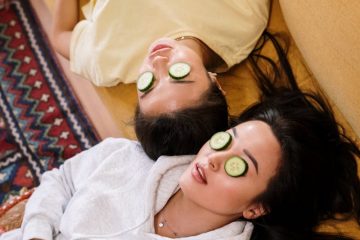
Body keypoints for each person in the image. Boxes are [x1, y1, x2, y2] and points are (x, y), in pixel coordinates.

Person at [1, 32, 359, 240]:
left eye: (239, 165)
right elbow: (59, 180)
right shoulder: (128, 155)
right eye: (226, 140)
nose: (214, 157)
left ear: (256, 207)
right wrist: (36, 233)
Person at [51, 0, 270, 160]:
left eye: (147, 83)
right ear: (216, 84)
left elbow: (60, 35)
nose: (158, 63)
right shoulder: (243, 20)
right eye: (179, 74)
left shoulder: (106, 60)